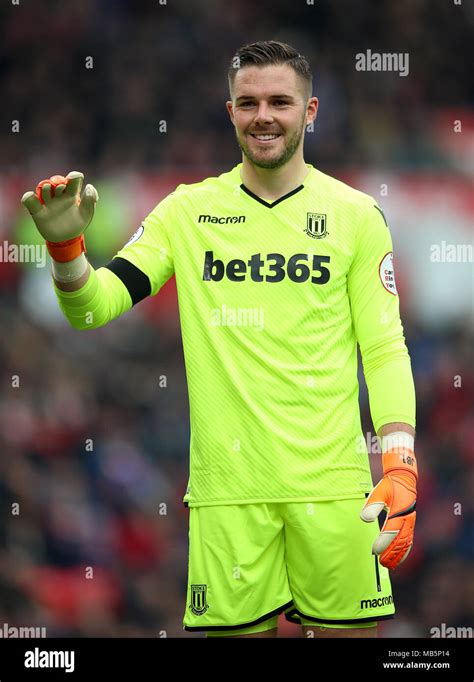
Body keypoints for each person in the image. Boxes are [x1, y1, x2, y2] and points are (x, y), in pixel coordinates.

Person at [21, 40, 417, 639]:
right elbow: (93, 308)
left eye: (281, 101)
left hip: (336, 491)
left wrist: (401, 465)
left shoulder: (356, 215)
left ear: (309, 112)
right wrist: (66, 252)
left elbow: (384, 348)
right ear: (229, 111)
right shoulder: (187, 212)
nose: (265, 115)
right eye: (249, 102)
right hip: (228, 497)